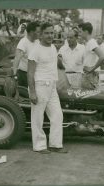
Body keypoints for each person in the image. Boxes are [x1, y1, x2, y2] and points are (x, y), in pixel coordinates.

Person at [27, 22, 67, 154]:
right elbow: (30, 72)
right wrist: (32, 92)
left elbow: (54, 67)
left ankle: (55, 144)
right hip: (39, 86)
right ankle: (39, 146)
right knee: (38, 117)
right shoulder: (35, 50)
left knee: (57, 115)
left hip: (52, 87)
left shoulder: (53, 48)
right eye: (47, 33)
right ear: (40, 34)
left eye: (51, 33)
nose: (50, 36)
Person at [13, 21, 40, 87]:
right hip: (24, 75)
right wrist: (14, 74)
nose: (39, 34)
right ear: (31, 32)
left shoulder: (37, 41)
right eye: (38, 32)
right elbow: (17, 58)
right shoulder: (23, 43)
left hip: (36, 74)